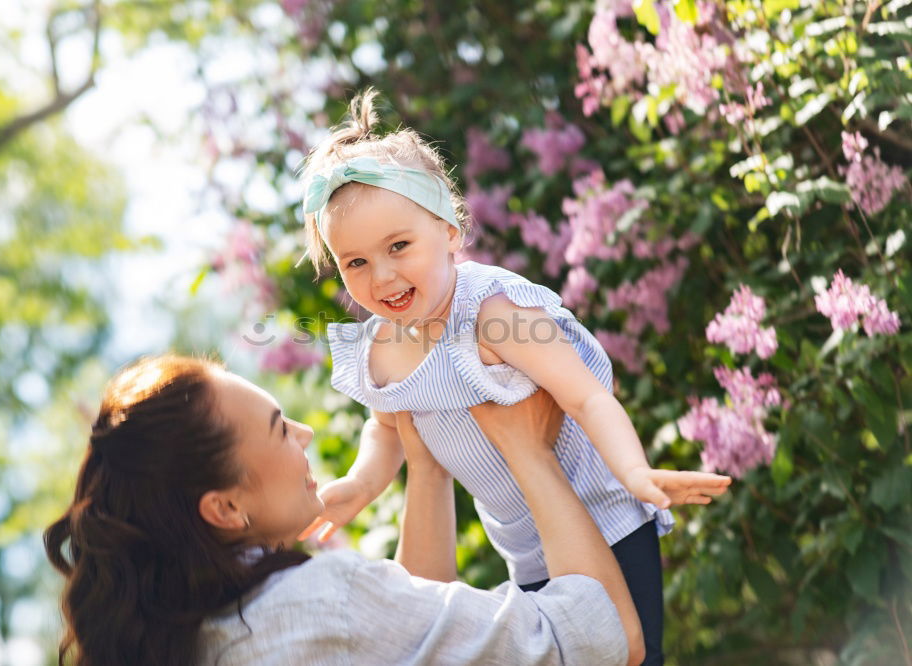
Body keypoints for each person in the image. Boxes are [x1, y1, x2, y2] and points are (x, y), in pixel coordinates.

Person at [295, 90, 732, 665]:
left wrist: (635, 470)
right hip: (523, 551)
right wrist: (358, 484)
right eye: (355, 262)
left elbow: (587, 395)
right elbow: (385, 430)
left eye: (399, 246)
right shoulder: (382, 348)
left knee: (629, 657)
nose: (382, 275)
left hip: (604, 520)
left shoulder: (492, 314)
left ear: (450, 231)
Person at [44, 354, 644, 665]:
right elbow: (599, 642)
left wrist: (427, 467)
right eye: (279, 429)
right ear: (225, 507)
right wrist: (527, 451)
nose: (303, 433)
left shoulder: (192, 629)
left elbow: (413, 639)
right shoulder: (316, 599)